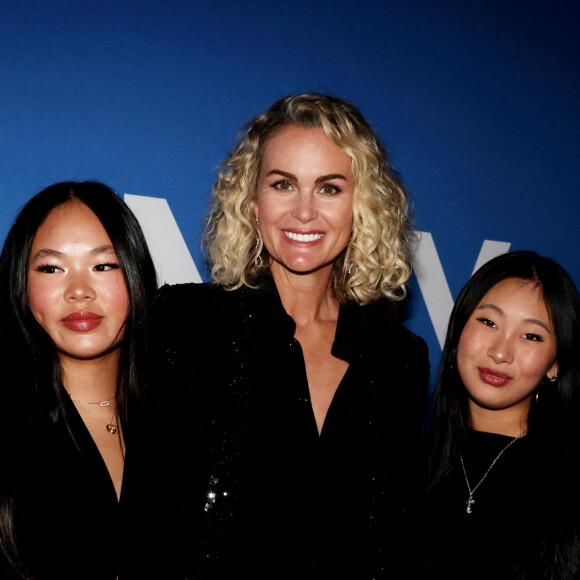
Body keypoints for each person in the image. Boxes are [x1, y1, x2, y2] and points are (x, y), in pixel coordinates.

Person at [150, 94, 430, 579]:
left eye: (329, 188)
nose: (304, 212)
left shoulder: (398, 357)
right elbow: (148, 516)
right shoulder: (187, 323)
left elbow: (395, 540)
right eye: (283, 184)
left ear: (360, 206)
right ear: (252, 201)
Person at [0, 181, 158, 580]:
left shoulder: (184, 418)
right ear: (22, 285)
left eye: (103, 265)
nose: (79, 292)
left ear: (135, 273)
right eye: (52, 268)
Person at [413, 250, 580, 579]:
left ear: (556, 363)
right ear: (460, 327)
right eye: (488, 322)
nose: (500, 352)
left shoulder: (569, 482)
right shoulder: (405, 465)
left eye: (530, 336)